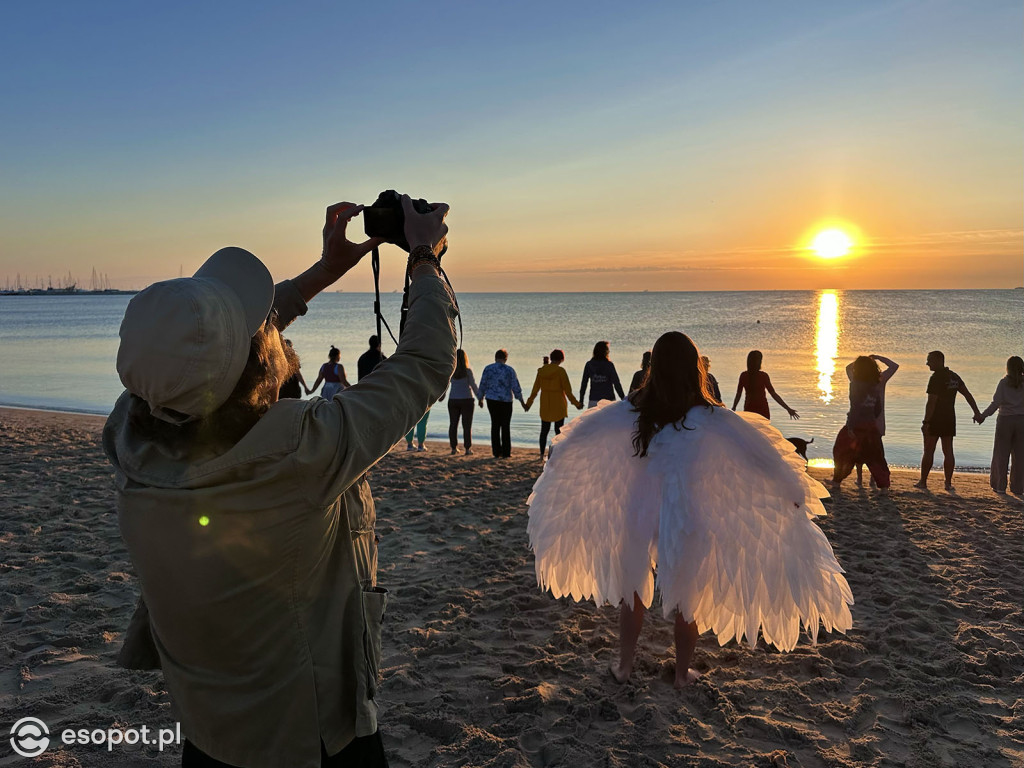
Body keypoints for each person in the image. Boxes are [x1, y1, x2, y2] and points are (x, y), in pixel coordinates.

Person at [104, 197, 455, 768]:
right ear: (254, 357)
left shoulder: (129, 436)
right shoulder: (298, 453)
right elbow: (425, 364)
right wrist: (424, 257)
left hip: (210, 728)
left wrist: (323, 274)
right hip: (308, 737)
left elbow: (198, 367)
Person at [527, 332, 852, 689]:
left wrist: (558, 458)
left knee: (633, 592)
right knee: (686, 595)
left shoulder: (635, 407)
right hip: (686, 513)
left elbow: (587, 431)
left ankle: (624, 667)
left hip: (639, 510)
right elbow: (758, 452)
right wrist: (791, 491)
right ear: (694, 368)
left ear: (654, 368)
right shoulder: (710, 414)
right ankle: (682, 674)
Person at [915, 350, 982, 492]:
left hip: (935, 419)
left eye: (930, 360)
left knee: (928, 450)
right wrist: (976, 412)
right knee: (948, 451)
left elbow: (931, 402)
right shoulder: (954, 376)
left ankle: (923, 482)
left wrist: (926, 422)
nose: (927, 363)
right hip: (949, 418)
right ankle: (948, 483)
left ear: (939, 360)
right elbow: (968, 395)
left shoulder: (935, 378)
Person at [831, 356, 891, 491]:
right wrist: (872, 419)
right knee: (876, 456)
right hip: (870, 425)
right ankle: (884, 486)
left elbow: (855, 406)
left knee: (842, 451)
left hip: (857, 425)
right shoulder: (875, 385)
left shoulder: (855, 385)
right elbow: (878, 407)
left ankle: (837, 481)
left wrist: (851, 426)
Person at [846, 355, 898, 486]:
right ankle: (873, 478)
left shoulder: (855, 380)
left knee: (860, 448)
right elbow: (894, 366)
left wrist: (862, 361)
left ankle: (860, 478)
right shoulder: (879, 379)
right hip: (877, 418)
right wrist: (878, 358)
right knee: (876, 450)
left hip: (860, 419)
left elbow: (848, 368)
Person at [976, 356, 1024, 495]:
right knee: (1020, 456)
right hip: (1022, 421)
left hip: (1005, 420)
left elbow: (996, 403)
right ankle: (1018, 488)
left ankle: (999, 485)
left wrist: (982, 416)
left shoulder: (1003, 383)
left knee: (1001, 454)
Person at [524, 349, 583, 458]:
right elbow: (568, 391)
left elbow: (535, 389)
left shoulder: (542, 371)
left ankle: (541, 454)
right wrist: (576, 404)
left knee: (544, 430)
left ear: (551, 358)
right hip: (558, 404)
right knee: (559, 431)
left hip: (546, 403)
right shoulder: (560, 371)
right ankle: (556, 453)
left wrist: (529, 403)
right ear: (561, 359)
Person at [478, 349, 525, 458]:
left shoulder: (488, 369)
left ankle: (496, 452)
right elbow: (515, 387)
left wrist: (480, 398)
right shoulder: (509, 370)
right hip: (506, 401)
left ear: (495, 357)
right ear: (506, 358)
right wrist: (522, 401)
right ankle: (506, 452)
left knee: (495, 425)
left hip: (491, 399)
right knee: (505, 426)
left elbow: (483, 384)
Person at [731, 350, 799, 420]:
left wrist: (734, 407)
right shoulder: (763, 376)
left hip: (749, 408)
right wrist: (787, 408)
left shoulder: (744, 375)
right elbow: (773, 394)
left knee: (750, 429)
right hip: (762, 408)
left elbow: (738, 394)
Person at [446, 349, 478, 455]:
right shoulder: (467, 371)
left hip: (453, 400)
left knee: (453, 424)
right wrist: (480, 398)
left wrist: (442, 396)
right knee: (467, 425)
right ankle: (467, 448)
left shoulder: (451, 370)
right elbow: (473, 385)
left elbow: (445, 385)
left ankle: (454, 448)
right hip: (467, 400)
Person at [580, 340, 625, 408]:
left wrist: (581, 400)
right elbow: (616, 383)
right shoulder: (609, 365)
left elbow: (584, 384)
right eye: (607, 350)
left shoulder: (589, 364)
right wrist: (623, 399)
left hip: (594, 400)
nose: (609, 351)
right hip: (609, 400)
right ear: (605, 352)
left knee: (593, 419)